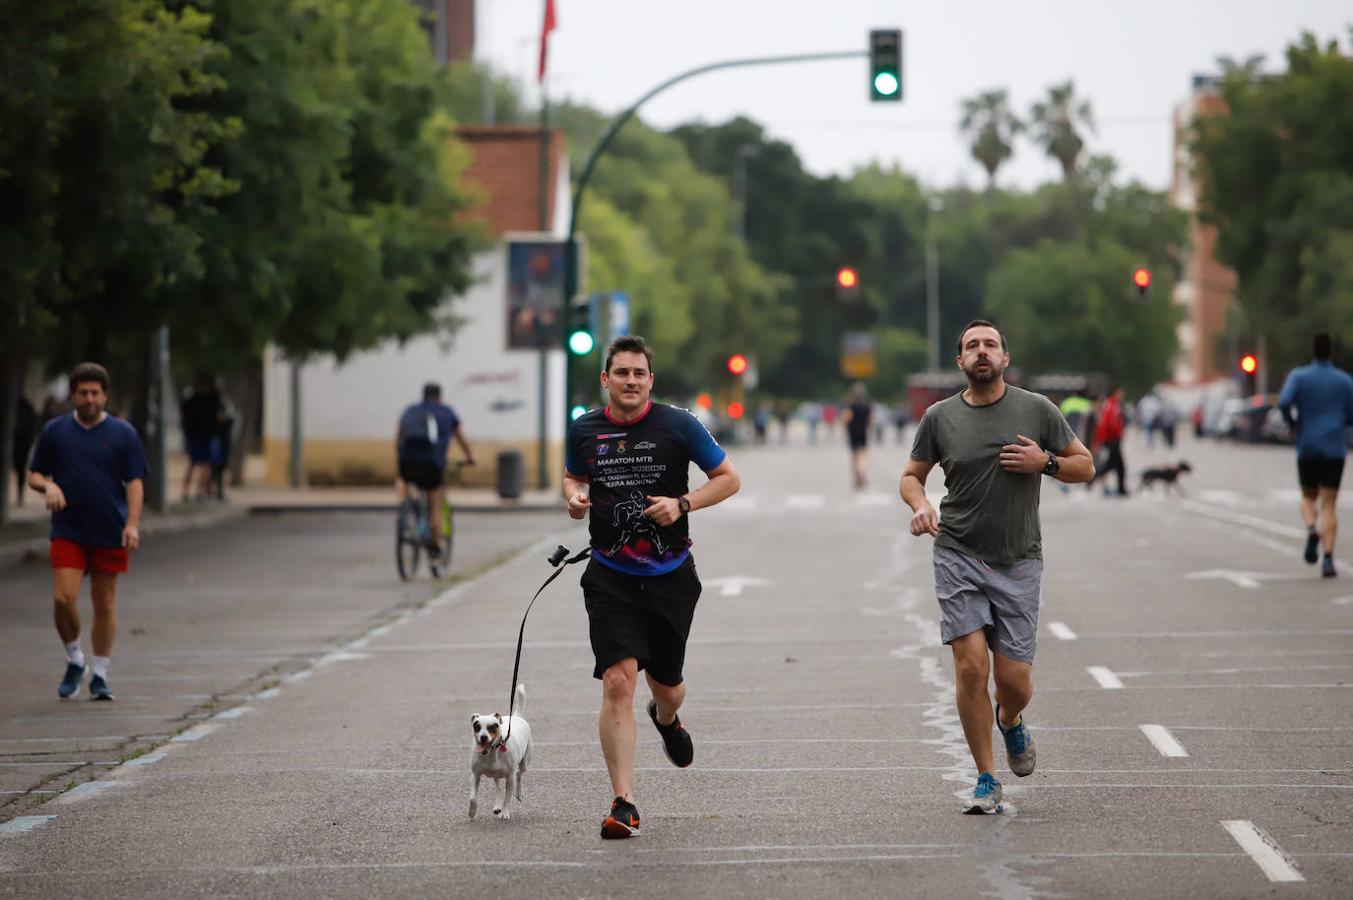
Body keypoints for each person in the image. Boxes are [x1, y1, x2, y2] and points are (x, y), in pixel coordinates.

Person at [900, 320, 1094, 814]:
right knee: (970, 667)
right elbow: (910, 476)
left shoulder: (1036, 409)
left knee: (1014, 683)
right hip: (958, 552)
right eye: (972, 346)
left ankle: (1010, 719)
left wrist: (1045, 462)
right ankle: (986, 777)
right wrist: (920, 505)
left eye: (990, 345)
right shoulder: (939, 418)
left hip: (1018, 560)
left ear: (1005, 358)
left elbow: (1086, 465)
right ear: (960, 362)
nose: (981, 352)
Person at [564, 335, 740, 839]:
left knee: (667, 685)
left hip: (669, 579)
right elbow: (573, 478)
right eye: (621, 373)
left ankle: (666, 718)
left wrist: (684, 504)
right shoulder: (584, 430)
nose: (631, 381)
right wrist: (575, 498)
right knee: (617, 681)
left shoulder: (678, 424)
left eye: (639, 373)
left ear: (650, 381)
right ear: (606, 379)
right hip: (609, 576)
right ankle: (624, 803)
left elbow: (728, 477)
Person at [27, 363, 149, 701]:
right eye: (83, 393)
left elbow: (135, 482)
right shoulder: (56, 431)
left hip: (110, 528)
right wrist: (48, 486)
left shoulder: (124, 434)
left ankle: (100, 674)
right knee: (63, 598)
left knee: (104, 602)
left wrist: (132, 524)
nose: (90, 399)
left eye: (96, 393)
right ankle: (75, 657)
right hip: (69, 528)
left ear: (105, 395)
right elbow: (33, 474)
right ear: (73, 395)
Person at [1279, 332, 1353, 578]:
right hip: (1334, 447)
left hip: (1307, 445)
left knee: (1308, 496)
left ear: (1313, 351)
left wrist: (1293, 423)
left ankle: (1311, 527)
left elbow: (1284, 401)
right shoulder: (1344, 381)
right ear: (1331, 351)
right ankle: (1329, 559)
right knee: (1329, 503)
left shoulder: (1299, 377)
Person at [395, 382, 474, 557]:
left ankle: (403, 510)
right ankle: (437, 545)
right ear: (440, 397)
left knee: (404, 479)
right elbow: (461, 438)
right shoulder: (446, 411)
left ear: (423, 396)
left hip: (408, 460)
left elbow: (399, 436)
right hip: (433, 463)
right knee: (435, 504)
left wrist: (400, 457)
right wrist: (470, 457)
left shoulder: (410, 410)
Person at [179, 374, 223, 503]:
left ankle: (190, 491)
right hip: (205, 435)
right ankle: (197, 491)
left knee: (195, 465)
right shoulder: (212, 400)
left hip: (198, 436)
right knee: (204, 465)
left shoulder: (191, 400)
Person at [1089, 386, 1128, 496]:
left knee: (1119, 465)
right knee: (1111, 464)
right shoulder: (1112, 405)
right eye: (1121, 392)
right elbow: (1110, 422)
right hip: (1112, 438)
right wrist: (1118, 432)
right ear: (1115, 392)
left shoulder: (1111, 404)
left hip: (1112, 438)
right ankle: (1092, 477)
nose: (1122, 394)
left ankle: (1121, 488)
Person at [842, 382, 873, 490]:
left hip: (853, 432)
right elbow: (870, 420)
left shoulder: (850, 406)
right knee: (863, 455)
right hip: (863, 432)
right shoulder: (866, 406)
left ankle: (857, 478)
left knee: (854, 457)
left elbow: (847, 419)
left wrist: (846, 427)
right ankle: (861, 473)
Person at [12, 395, 37, 507]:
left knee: (20, 470)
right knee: (20, 470)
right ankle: (19, 495)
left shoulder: (25, 409)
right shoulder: (27, 409)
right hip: (21, 444)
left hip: (21, 444)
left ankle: (20, 495)